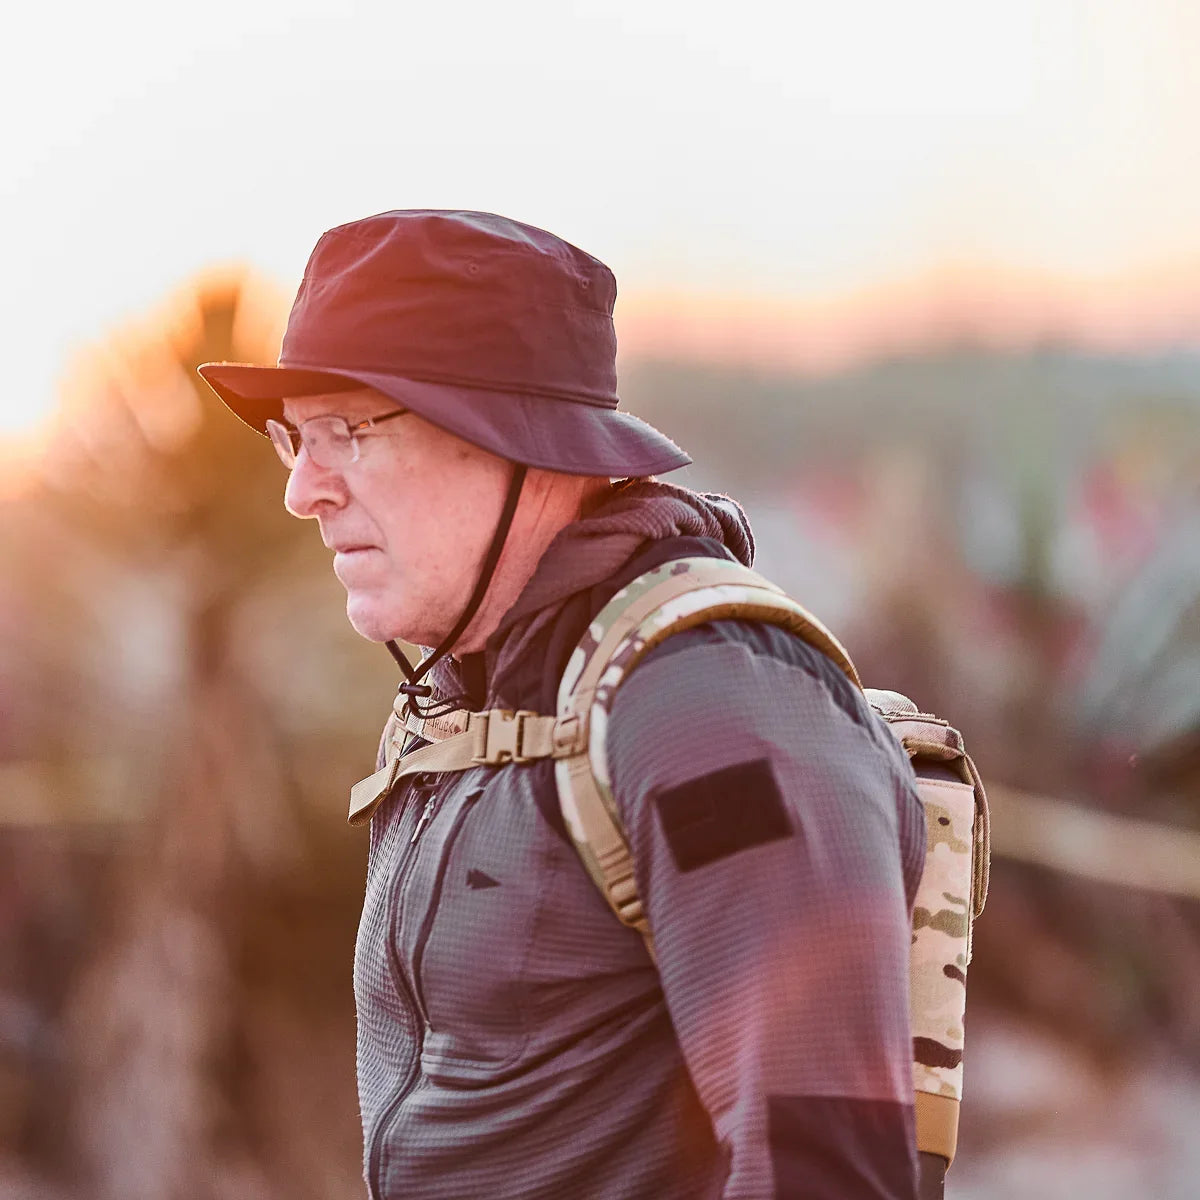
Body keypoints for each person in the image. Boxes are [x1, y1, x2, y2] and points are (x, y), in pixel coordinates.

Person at [199, 210, 926, 1200]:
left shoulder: (710, 708)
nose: (304, 490)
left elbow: (829, 1172)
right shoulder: (469, 697)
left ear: (514, 439)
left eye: (348, 432)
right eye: (295, 438)